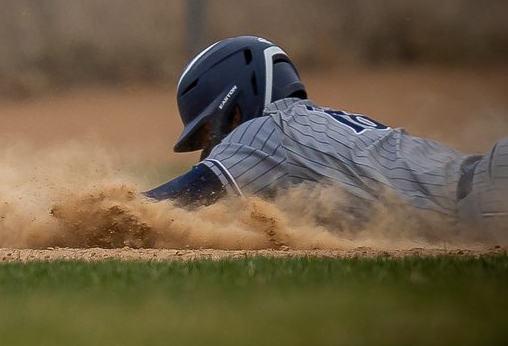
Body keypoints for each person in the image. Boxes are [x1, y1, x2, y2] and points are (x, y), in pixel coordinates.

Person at [143, 35, 507, 239]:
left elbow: (174, 201)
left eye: (210, 131)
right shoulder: (305, 131)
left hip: (486, 203)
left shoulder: (265, 131)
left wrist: (92, 211)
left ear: (234, 110)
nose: (211, 146)